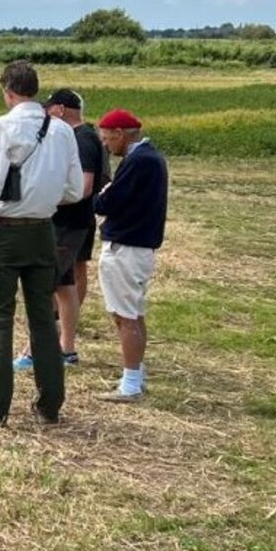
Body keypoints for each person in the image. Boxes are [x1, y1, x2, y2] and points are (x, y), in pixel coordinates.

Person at [0, 60, 84, 426]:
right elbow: (74, 189)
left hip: (5, 231)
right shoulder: (63, 131)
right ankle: (50, 403)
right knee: (43, 321)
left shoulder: (4, 126)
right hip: (43, 231)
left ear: (8, 91)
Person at [93, 108, 168, 403]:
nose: (106, 144)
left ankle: (131, 383)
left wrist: (103, 195)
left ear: (120, 133)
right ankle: (135, 372)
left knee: (126, 317)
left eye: (106, 138)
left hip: (126, 247)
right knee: (133, 313)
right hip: (137, 247)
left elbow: (106, 202)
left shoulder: (138, 162)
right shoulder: (150, 159)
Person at [42, 88, 108, 366]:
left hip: (69, 223)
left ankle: (42, 346)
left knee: (46, 283)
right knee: (66, 282)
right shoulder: (84, 136)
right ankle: (65, 346)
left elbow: (84, 186)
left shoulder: (82, 139)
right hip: (74, 222)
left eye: (49, 111)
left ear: (60, 109)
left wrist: (45, 198)